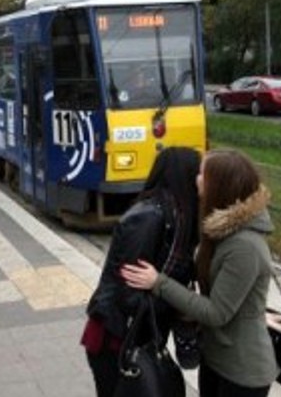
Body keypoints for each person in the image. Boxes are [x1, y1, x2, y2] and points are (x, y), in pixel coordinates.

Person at [121, 149, 278, 397]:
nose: (196, 179)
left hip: (242, 372)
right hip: (216, 359)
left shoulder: (244, 246)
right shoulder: (219, 229)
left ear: (221, 186)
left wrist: (158, 282)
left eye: (203, 174)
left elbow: (216, 312)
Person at [81, 147, 201, 396]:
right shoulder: (147, 217)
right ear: (184, 175)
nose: (201, 180)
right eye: (198, 172)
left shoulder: (179, 216)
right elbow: (127, 288)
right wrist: (170, 296)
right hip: (115, 336)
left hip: (138, 333)